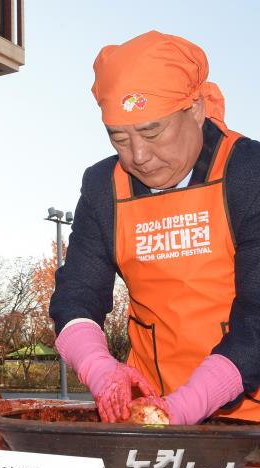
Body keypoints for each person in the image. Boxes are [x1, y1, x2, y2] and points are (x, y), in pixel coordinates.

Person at [49, 31, 260, 425]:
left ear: (195, 109)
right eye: (119, 138)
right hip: (154, 409)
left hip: (247, 410)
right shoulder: (103, 187)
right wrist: (100, 370)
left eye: (151, 132)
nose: (139, 156)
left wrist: (186, 406)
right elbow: (76, 294)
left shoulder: (249, 173)